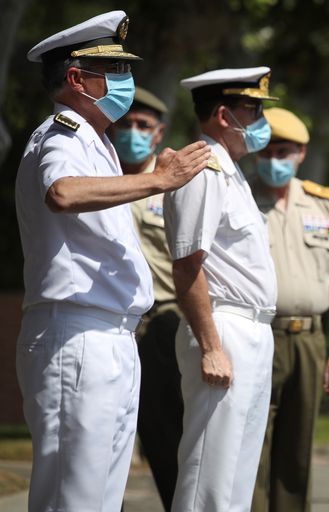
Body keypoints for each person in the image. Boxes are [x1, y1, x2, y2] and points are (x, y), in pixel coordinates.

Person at [14, 11, 210, 512]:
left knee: (101, 497)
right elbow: (62, 192)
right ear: (77, 79)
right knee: (71, 497)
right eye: (115, 71)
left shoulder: (97, 142)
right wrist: (157, 181)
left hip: (112, 336)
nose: (127, 82)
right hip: (77, 333)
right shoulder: (62, 135)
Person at [164, 67, 278, 512]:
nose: (260, 120)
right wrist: (212, 345)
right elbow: (188, 264)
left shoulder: (231, 172)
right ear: (225, 115)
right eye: (254, 109)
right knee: (208, 473)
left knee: (237, 471)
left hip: (252, 330)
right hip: (223, 326)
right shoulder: (203, 169)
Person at [250, 107, 329, 512]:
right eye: (266, 151)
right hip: (256, 334)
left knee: (297, 449)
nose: (274, 160)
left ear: (301, 154)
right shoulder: (240, 198)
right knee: (251, 445)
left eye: (284, 151)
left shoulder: (324, 205)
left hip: (310, 340)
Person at [109, 86, 183, 511]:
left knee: (168, 438)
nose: (133, 133)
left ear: (158, 135)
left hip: (164, 326)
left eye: (143, 126)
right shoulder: (99, 178)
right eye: (126, 125)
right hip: (111, 324)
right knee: (104, 441)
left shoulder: (174, 186)